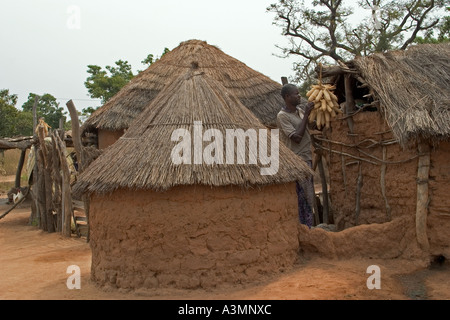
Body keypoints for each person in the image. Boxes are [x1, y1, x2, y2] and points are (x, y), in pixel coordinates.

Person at [276, 83, 315, 228]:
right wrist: (306, 115)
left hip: (307, 158)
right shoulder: (282, 116)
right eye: (296, 94)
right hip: (297, 160)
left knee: (309, 197)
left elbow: (309, 127)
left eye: (299, 93)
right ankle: (302, 229)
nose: (299, 96)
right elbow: (297, 137)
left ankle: (308, 229)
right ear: (287, 97)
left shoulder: (299, 111)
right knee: (300, 198)